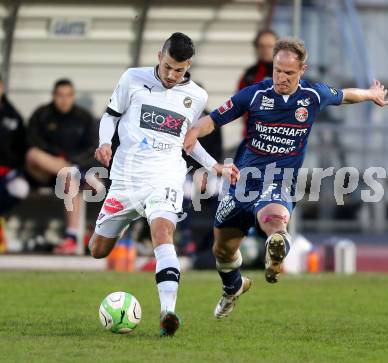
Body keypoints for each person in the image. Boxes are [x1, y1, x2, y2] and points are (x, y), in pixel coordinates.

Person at [184, 37, 388, 319]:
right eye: (277, 70)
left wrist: (370, 93)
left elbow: (344, 95)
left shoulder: (313, 95)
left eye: (289, 73)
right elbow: (214, 119)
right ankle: (233, 287)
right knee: (222, 250)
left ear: (302, 70)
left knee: (276, 218)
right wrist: (195, 130)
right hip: (243, 182)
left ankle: (277, 245)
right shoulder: (254, 94)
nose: (281, 77)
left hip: (278, 180)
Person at [89, 32, 239, 337]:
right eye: (168, 66)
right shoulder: (133, 78)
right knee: (97, 250)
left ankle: (167, 313)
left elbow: (189, 142)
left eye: (179, 70)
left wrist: (215, 166)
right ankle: (125, 223)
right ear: (160, 56)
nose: (172, 75)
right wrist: (105, 142)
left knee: (162, 232)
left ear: (189, 66)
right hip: (127, 179)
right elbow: (110, 115)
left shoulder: (196, 96)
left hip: (166, 175)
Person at [26, 79, 98, 254]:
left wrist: (74, 163)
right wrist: (58, 158)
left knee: (68, 177)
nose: (64, 100)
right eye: (60, 95)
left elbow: (92, 148)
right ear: (53, 96)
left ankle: (71, 237)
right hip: (44, 171)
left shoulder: (84, 118)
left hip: (70, 175)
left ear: (73, 97)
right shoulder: (42, 115)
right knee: (33, 155)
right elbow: (32, 141)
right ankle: (72, 170)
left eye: (68, 96)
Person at [238, 29, 278, 137]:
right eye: (262, 46)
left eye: (270, 46)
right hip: (253, 135)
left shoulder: (285, 73)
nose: (265, 50)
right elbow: (239, 104)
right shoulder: (249, 74)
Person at [0, 77, 29, 215]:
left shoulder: (13, 116)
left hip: (7, 171)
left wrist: (15, 170)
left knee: (20, 188)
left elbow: (21, 148)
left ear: (1, 87)